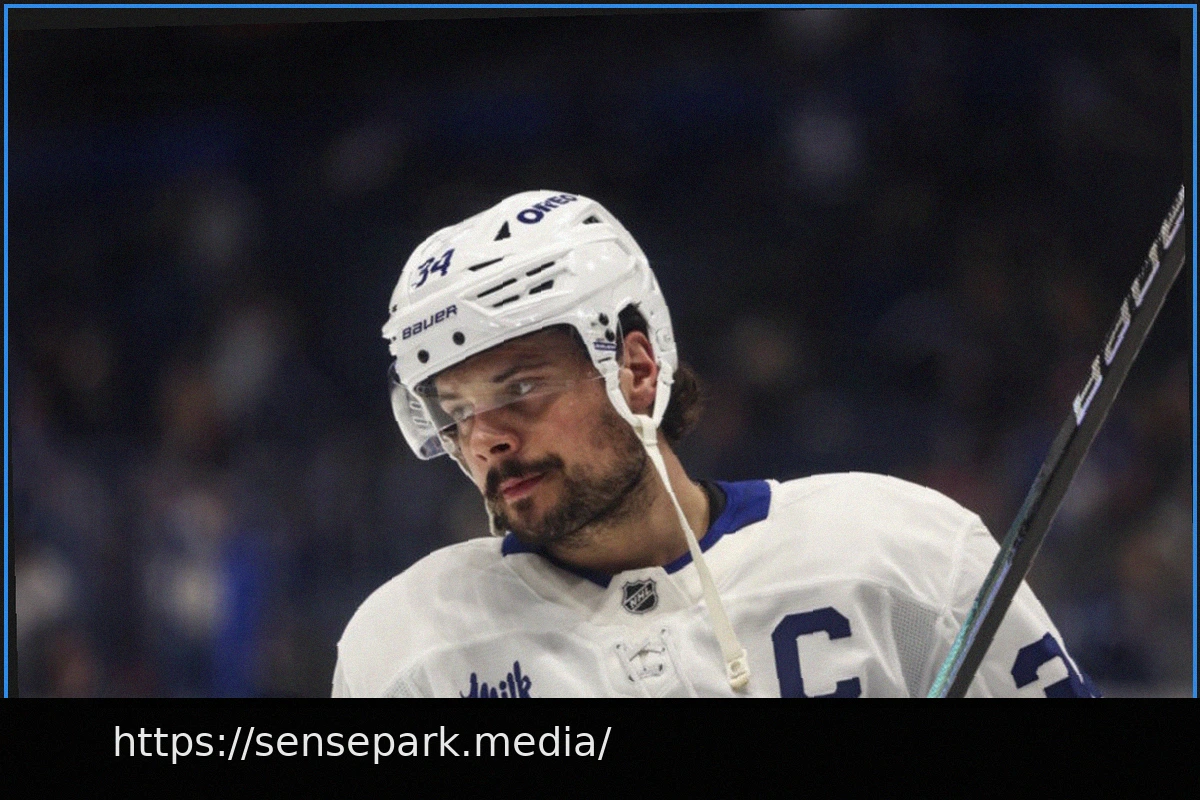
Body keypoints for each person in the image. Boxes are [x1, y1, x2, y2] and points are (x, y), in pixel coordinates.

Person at [333, 190, 1098, 698]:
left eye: (519, 388)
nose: (486, 440)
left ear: (636, 369)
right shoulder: (411, 650)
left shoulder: (901, 553)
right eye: (457, 412)